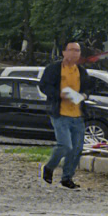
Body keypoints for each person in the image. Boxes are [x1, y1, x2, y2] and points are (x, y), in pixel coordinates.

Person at [40, 39, 90, 189]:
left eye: (78, 51)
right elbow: (44, 86)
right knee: (65, 146)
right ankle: (49, 167)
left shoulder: (81, 71)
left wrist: (84, 96)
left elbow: (89, 88)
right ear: (64, 52)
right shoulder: (54, 69)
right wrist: (58, 94)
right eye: (72, 50)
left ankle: (67, 178)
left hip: (77, 115)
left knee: (76, 149)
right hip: (60, 113)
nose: (75, 53)